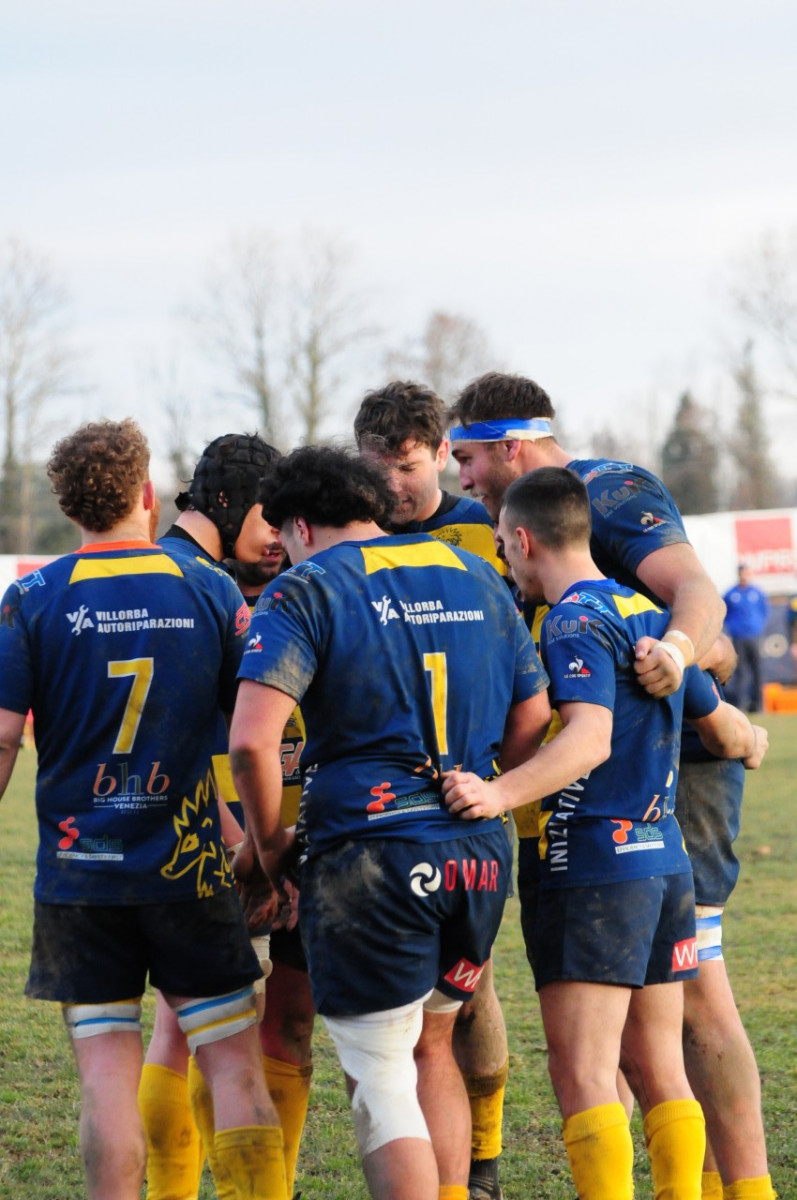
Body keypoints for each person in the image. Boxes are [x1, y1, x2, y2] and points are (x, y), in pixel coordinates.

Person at [447, 372, 777, 1200]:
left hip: (602, 837)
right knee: (651, 1054)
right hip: (653, 840)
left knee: (608, 1054)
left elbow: (686, 610)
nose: (462, 480)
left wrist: (498, 791)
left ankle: (747, 1186)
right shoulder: (624, 610)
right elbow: (721, 718)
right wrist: (734, 726)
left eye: (466, 459)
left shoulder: (603, 523)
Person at [228, 446, 552, 1200]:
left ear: (299, 526)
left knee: (379, 1073)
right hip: (475, 852)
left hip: (370, 857)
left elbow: (250, 742)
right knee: (432, 1045)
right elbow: (533, 714)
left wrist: (270, 848)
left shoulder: (307, 585)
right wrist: (481, 783)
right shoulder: (474, 572)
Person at [0, 420, 287, 1200]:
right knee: (233, 1066)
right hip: (189, 870)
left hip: (80, 877)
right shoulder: (208, 588)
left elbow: (3, 738)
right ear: (146, 494)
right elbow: (254, 725)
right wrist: (260, 846)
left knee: (105, 1075)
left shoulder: (33, 597)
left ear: (68, 506)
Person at [140, 432, 311, 1200]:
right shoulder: (193, 585)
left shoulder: (206, 576)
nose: (278, 537)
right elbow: (169, 742)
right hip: (219, 842)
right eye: (268, 517)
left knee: (236, 1026)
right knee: (193, 1031)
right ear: (224, 503)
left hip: (259, 835)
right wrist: (251, 850)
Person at [354, 380, 508, 1200]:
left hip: (476, 794)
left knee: (469, 996)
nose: (392, 486)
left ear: (445, 454)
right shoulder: (354, 541)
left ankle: (482, 1163)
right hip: (381, 809)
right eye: (377, 468)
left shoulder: (486, 529)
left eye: (408, 467)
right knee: (401, 1014)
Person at [723, 564, 769, 712]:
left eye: (747, 573)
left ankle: (759, 705)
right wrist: (733, 628)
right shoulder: (731, 594)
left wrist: (757, 627)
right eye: (742, 573)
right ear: (739, 574)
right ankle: (741, 704)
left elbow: (764, 612)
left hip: (754, 636)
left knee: (757, 670)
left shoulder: (757, 593)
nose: (745, 576)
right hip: (738, 637)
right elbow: (725, 614)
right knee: (740, 671)